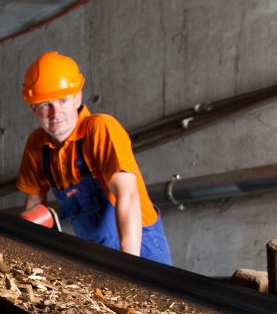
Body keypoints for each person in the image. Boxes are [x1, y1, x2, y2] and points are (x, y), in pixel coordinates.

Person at [15, 51, 172, 265]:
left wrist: (130, 267)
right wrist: (24, 257)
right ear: (33, 107)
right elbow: (34, 208)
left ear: (77, 98)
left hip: (139, 246)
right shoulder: (37, 145)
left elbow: (127, 195)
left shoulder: (100, 128)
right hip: (94, 252)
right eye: (45, 104)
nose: (55, 112)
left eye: (63, 100)